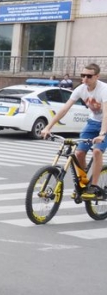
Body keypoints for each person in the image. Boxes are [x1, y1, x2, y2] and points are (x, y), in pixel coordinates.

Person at [41, 63, 107, 196]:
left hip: (105, 124)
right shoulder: (81, 89)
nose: (85, 79)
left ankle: (93, 186)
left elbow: (106, 113)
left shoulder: (104, 89)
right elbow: (65, 109)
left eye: (89, 76)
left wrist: (102, 134)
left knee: (97, 151)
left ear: (97, 77)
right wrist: (48, 127)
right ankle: (83, 182)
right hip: (93, 122)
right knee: (79, 153)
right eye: (83, 75)